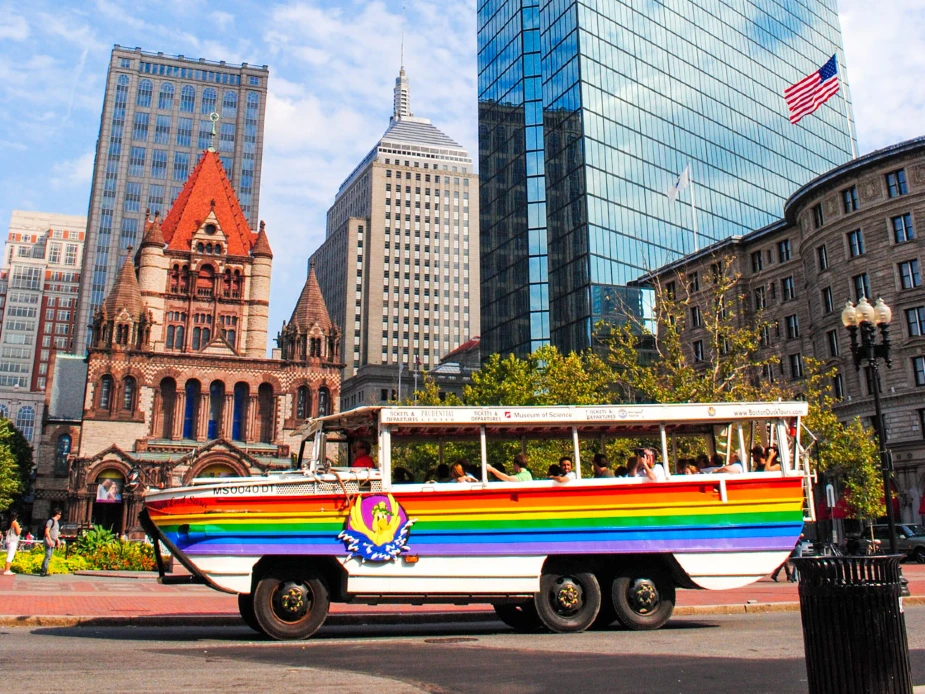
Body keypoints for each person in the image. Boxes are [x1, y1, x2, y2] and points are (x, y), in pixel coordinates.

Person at [40, 509, 62, 577]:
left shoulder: (57, 523)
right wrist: (49, 540)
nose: (60, 516)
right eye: (60, 514)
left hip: (53, 541)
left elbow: (55, 533)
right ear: (57, 514)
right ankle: (43, 571)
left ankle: (45, 570)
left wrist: (57, 540)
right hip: (48, 541)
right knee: (48, 555)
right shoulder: (50, 521)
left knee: (49, 556)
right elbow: (47, 531)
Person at [4, 511, 21, 575]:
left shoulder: (9, 522)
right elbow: (18, 532)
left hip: (8, 540)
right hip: (13, 541)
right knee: (10, 555)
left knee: (9, 554)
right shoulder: (15, 523)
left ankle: (7, 569)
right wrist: (20, 529)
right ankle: (7, 570)